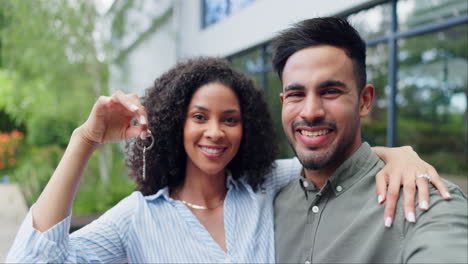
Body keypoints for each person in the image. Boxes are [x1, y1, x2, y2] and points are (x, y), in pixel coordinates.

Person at [7, 58, 447, 263]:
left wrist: (399, 154)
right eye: (199, 117)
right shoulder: (135, 219)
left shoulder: (266, 185)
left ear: (247, 128)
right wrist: (85, 139)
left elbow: (337, 159)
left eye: (230, 119)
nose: (215, 132)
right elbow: (33, 261)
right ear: (176, 124)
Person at [272, 17, 468, 263]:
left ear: (364, 101)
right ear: (283, 103)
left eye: (330, 91)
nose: (310, 112)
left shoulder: (422, 201)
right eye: (296, 94)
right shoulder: (269, 202)